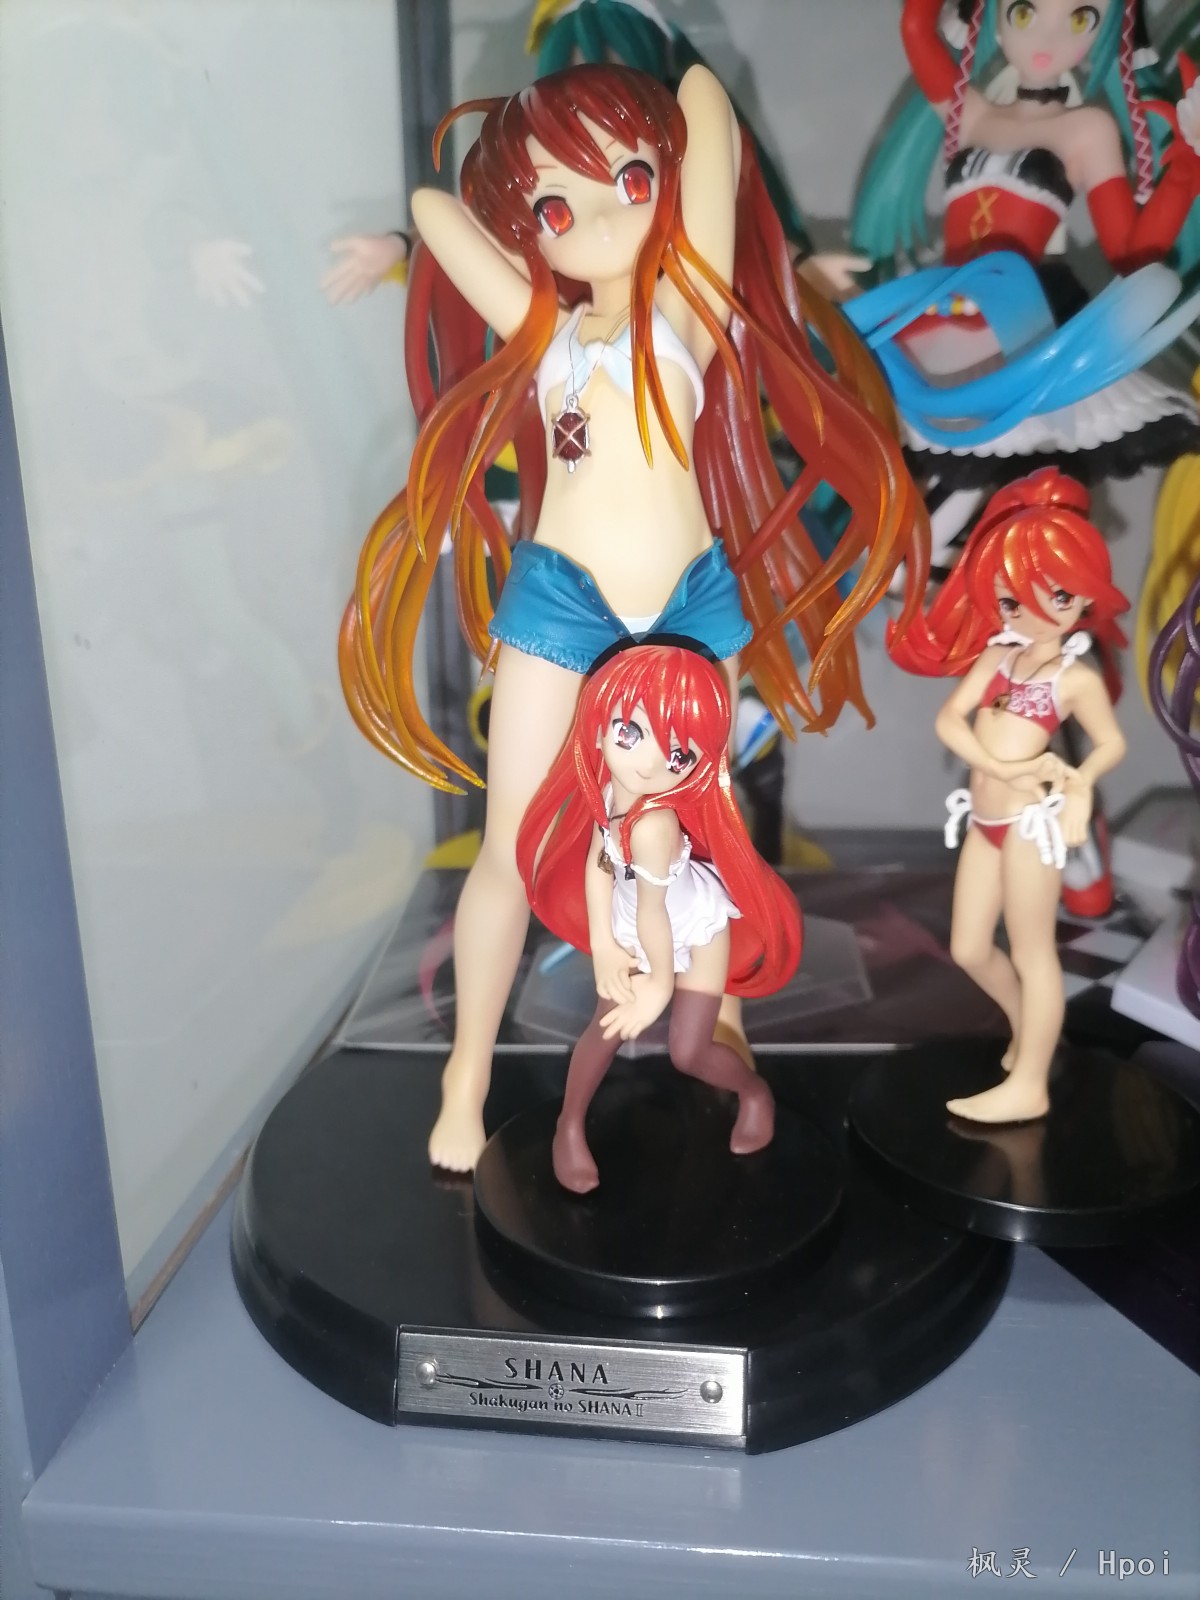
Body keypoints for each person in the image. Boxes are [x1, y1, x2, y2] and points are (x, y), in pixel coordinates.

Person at [340, 63, 927, 1170]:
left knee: (711, 825)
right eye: (559, 207)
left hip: (687, 606)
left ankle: (724, 1012)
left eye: (631, 181)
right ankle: (467, 1075)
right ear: (530, 228)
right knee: (508, 844)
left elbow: (704, 101)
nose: (604, 218)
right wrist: (526, 175)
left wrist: (631, 121)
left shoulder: (688, 315)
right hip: (564, 601)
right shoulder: (540, 329)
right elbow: (434, 210)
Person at [889, 469, 1128, 1122]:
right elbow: (949, 720)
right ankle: (1031, 1034)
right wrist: (997, 762)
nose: (1030, 611)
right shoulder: (997, 657)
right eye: (1011, 598)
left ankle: (1031, 1084)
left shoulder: (1073, 679)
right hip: (985, 819)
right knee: (968, 946)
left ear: (1085, 596)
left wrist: (1077, 784)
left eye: (1056, 594)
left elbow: (1110, 744)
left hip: (1029, 825)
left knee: (1032, 950)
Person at [517, 641, 800, 1191]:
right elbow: (600, 864)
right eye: (630, 732)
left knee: (689, 1052)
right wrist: (604, 943)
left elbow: (656, 916)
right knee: (603, 1030)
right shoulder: (607, 790)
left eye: (678, 757)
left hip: (692, 930)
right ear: (599, 722)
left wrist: (659, 986)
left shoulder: (655, 826)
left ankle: (754, 1093)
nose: (649, 763)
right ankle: (568, 1126)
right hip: (637, 923)